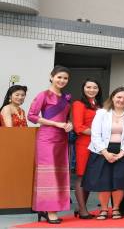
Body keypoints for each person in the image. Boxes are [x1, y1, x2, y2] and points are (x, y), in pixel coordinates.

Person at [82, 87, 124, 220]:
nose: (121, 100)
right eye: (119, 97)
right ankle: (103, 209)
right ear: (113, 97)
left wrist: (121, 153)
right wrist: (105, 152)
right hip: (102, 150)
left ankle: (115, 208)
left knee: (119, 180)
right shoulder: (102, 112)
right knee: (104, 181)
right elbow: (95, 134)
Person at [27, 66, 73, 224]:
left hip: (62, 137)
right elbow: (31, 116)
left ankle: (47, 208)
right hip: (46, 138)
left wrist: (69, 124)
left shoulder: (66, 98)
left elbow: (66, 118)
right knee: (49, 174)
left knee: (60, 173)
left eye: (65, 78)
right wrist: (55, 123)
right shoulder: (43, 95)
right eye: (59, 77)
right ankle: (50, 210)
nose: (62, 80)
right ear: (51, 77)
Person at [71, 80, 100, 219]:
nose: (92, 90)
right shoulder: (78, 104)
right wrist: (98, 133)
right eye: (88, 87)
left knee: (90, 176)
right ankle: (82, 210)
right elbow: (78, 127)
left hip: (98, 144)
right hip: (84, 143)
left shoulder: (99, 105)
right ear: (83, 88)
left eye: (95, 87)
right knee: (82, 175)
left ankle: (80, 207)